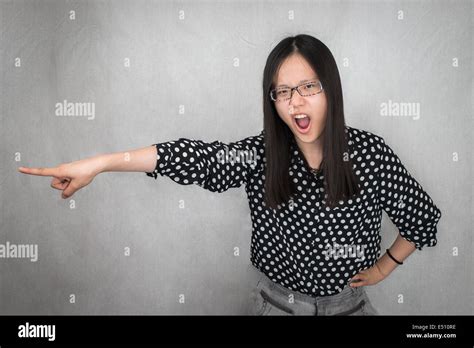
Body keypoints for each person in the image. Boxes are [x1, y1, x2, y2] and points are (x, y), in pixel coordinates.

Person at [18, 34, 442, 316]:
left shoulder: (368, 154)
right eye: (282, 91)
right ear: (272, 100)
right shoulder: (261, 154)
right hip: (276, 305)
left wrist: (385, 267)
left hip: (348, 307)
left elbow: (422, 217)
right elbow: (194, 159)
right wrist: (100, 163)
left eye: (309, 87)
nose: (296, 102)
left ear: (331, 88)